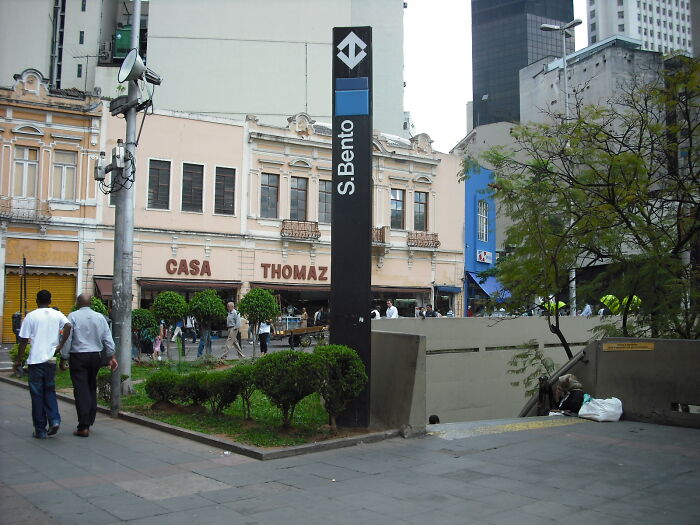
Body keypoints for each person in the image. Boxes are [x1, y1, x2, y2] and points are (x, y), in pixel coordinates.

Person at [15, 290, 72, 439]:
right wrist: (60, 345)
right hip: (50, 360)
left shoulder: (31, 316)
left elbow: (23, 340)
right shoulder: (56, 314)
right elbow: (68, 326)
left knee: (37, 395)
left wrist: (19, 359)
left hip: (35, 361)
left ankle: (40, 429)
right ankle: (54, 419)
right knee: (49, 391)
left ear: (36, 300)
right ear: (50, 300)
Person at [64, 294, 118, 437]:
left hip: (78, 356)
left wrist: (64, 356)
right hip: (95, 356)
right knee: (91, 386)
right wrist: (111, 356)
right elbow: (108, 338)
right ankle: (89, 419)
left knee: (81, 389)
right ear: (90, 303)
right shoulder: (99, 317)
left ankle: (83, 426)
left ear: (77, 303)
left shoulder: (72, 316)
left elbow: (68, 337)